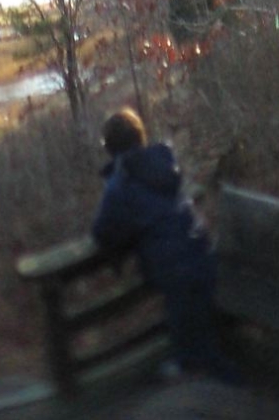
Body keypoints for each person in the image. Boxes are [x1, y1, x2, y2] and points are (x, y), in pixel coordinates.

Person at [91, 108, 238, 383]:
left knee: (186, 318)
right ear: (140, 137)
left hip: (172, 266)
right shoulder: (163, 162)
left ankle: (200, 371)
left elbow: (102, 231)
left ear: (110, 148)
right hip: (200, 247)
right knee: (199, 320)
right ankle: (205, 365)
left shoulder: (120, 184)